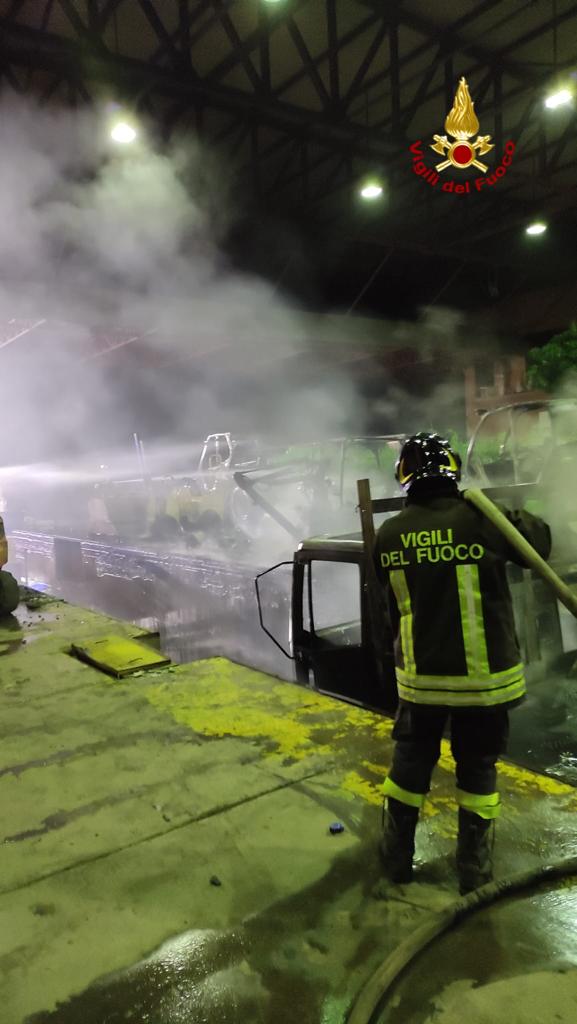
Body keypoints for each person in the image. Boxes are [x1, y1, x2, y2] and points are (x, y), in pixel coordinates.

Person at [373, 432, 551, 893]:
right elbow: (541, 543)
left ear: (404, 475)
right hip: (484, 684)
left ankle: (395, 860)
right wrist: (503, 513)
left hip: (421, 682)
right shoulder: (485, 521)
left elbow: (387, 606)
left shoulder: (388, 534)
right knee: (478, 769)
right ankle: (474, 870)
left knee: (410, 766)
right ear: (454, 468)